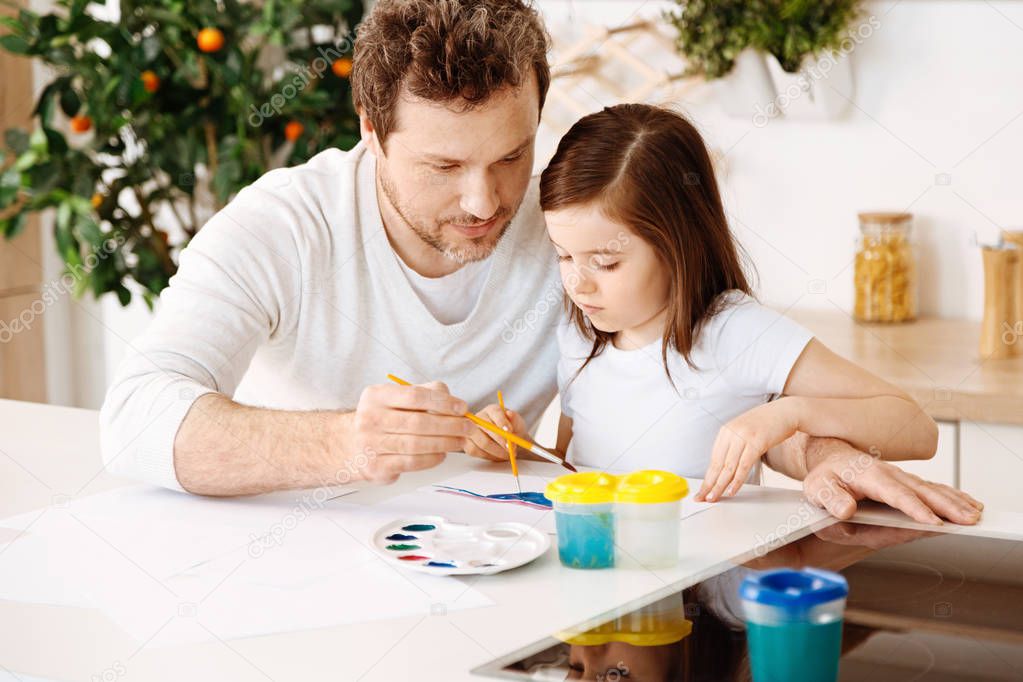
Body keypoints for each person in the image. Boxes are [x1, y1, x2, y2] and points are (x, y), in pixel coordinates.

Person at [99, 0, 980, 527]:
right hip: (318, 574)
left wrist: (818, 443)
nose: (486, 202)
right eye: (442, 167)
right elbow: (134, 419)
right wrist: (347, 442)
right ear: (370, 133)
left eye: (510, 155)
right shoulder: (285, 227)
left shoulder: (571, 213)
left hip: (513, 569)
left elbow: (702, 375)